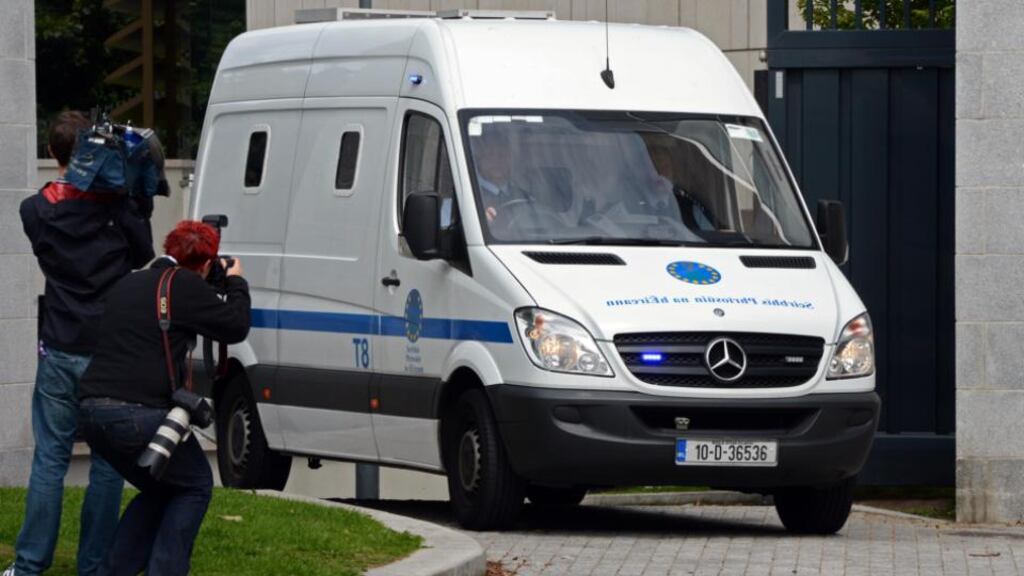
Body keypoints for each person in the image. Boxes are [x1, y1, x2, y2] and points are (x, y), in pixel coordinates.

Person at [5, 111, 154, 576]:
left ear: (52, 153)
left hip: (61, 344)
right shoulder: (118, 206)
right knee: (108, 464)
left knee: (50, 458)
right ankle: (96, 566)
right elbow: (143, 255)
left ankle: (30, 565)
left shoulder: (36, 210)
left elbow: (47, 223)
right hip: (111, 352)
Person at [78, 221, 251, 576]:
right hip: (137, 415)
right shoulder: (183, 284)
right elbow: (235, 325)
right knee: (195, 485)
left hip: (92, 412)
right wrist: (236, 282)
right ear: (206, 263)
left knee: (161, 489)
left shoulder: (128, 282)